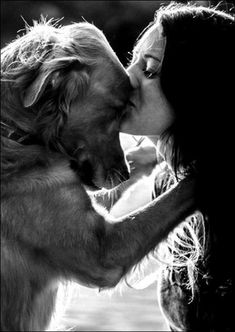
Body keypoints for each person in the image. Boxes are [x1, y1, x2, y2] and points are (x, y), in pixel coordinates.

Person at [120, 2, 235, 331]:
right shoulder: (165, 183)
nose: (126, 79)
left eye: (151, 71)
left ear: (197, 88)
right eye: (133, 62)